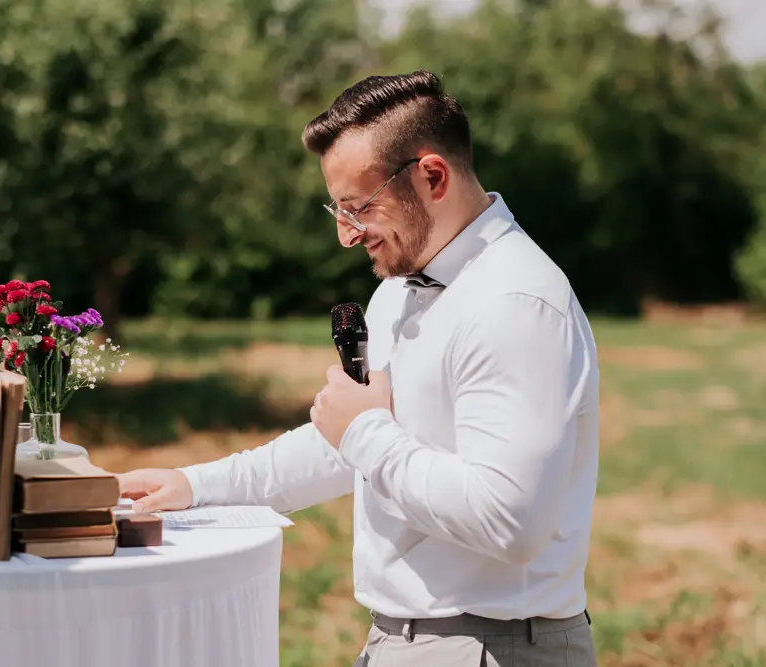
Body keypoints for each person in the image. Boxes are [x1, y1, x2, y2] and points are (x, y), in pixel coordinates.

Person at [118, 69, 599, 666]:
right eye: (336, 209)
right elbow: (351, 448)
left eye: (359, 207)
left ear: (432, 177)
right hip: (405, 641)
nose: (347, 235)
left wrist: (366, 432)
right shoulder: (400, 289)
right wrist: (197, 486)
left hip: (490, 648)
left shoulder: (514, 303)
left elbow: (511, 522)